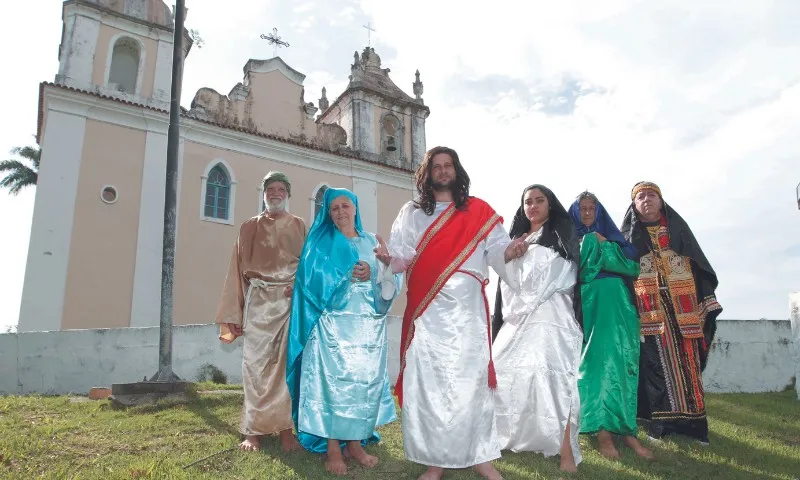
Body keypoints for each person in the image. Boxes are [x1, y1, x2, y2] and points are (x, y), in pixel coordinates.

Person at [382, 146, 527, 480]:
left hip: (468, 312)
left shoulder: (478, 210)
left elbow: (496, 249)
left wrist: (512, 250)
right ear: (427, 173)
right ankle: (437, 461)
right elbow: (402, 253)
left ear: (456, 171)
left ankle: (479, 457)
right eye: (437, 166)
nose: (443, 171)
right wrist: (389, 259)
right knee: (432, 383)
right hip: (427, 311)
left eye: (448, 166)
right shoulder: (413, 212)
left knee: (471, 381)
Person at [285, 187, 401, 476]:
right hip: (331, 326)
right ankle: (334, 447)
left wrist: (373, 272)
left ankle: (355, 443)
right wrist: (344, 277)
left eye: (345, 206)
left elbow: (392, 276)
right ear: (328, 212)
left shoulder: (373, 241)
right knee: (332, 384)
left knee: (360, 383)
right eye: (333, 207)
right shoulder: (320, 243)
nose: (340, 212)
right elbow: (308, 282)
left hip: (367, 326)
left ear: (355, 208)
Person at [620, 181, 723, 445]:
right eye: (640, 197)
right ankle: (661, 425)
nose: (646, 200)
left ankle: (695, 427)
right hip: (649, 312)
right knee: (656, 367)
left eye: (651, 195)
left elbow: (699, 264)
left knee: (688, 366)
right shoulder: (629, 238)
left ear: (661, 200)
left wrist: (705, 300)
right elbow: (622, 275)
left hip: (682, 309)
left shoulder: (678, 230)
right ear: (634, 205)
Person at [491, 184, 583, 473]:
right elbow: (506, 286)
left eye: (539, 200)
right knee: (502, 371)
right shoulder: (517, 240)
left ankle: (566, 450)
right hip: (517, 318)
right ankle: (501, 437)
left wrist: (520, 261)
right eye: (527, 201)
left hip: (550, 318)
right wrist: (511, 256)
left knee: (556, 381)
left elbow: (550, 279)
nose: (532, 206)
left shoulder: (561, 238)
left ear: (550, 205)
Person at [215, 171, 306, 452]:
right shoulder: (247, 228)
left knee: (285, 369)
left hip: (289, 305)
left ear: (288, 194)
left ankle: (285, 432)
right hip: (258, 305)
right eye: (270, 189)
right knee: (254, 367)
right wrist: (234, 313)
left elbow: (310, 266)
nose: (275, 193)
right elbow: (236, 273)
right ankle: (253, 431)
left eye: (281, 188)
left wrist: (300, 288)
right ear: (263, 193)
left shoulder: (301, 225)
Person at [568, 191, 653, 460]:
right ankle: (602, 431)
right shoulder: (568, 239)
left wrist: (602, 245)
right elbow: (581, 267)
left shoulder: (614, 237)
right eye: (582, 208)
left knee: (623, 362)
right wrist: (599, 246)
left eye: (592, 208)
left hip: (621, 305)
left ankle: (627, 430)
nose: (587, 213)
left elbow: (632, 265)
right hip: (592, 303)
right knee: (596, 363)